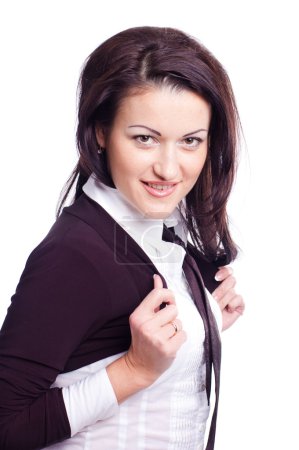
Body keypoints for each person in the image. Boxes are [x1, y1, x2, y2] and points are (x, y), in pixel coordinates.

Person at [0, 26, 245, 450]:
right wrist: (134, 369)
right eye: (144, 139)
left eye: (190, 141)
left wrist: (201, 320)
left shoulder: (149, 232)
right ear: (100, 132)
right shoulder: (75, 255)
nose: (169, 170)